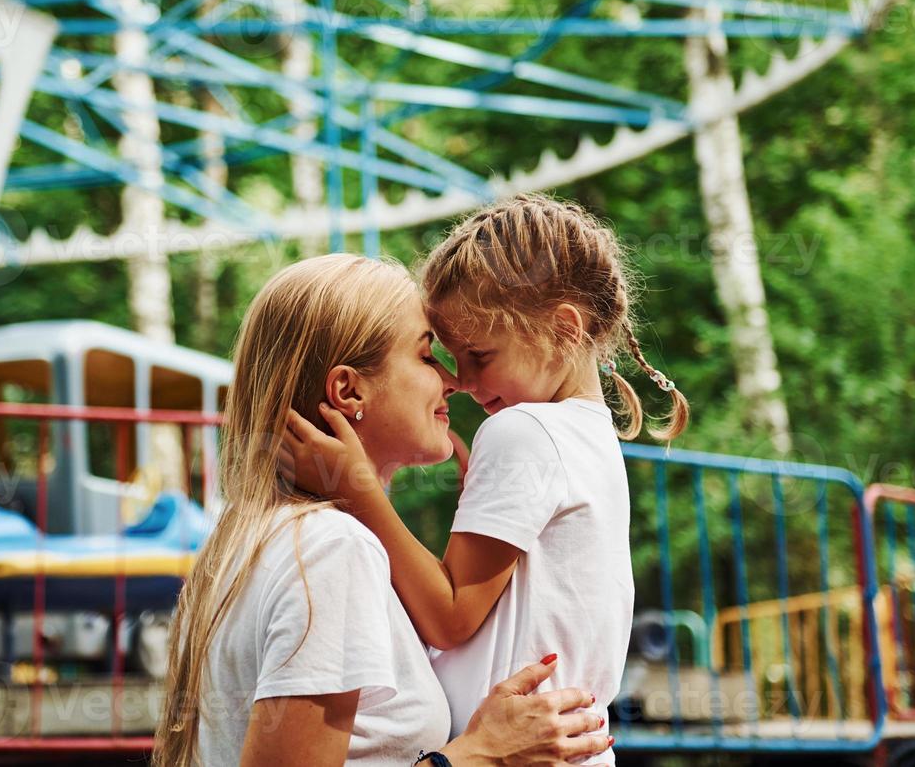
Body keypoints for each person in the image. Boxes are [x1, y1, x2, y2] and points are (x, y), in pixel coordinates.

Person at [153, 253, 612, 767]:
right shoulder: (332, 551)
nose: (454, 380)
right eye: (425, 356)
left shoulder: (249, 545)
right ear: (349, 390)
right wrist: (478, 755)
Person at [283, 194, 690, 763]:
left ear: (564, 330)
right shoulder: (592, 438)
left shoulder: (524, 431)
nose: (463, 381)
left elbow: (450, 619)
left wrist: (356, 488)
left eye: (478, 353)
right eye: (448, 358)